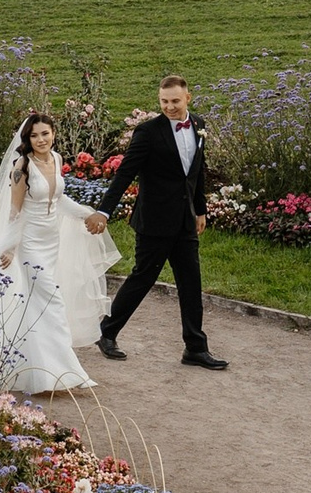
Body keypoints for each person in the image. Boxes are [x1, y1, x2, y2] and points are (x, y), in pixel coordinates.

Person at [0, 112, 119, 394]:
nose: (41, 140)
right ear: (27, 139)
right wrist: (11, 247)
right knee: (51, 301)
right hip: (28, 243)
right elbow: (15, 212)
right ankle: (63, 372)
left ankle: (35, 369)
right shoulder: (22, 167)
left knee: (34, 306)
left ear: (53, 133)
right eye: (34, 135)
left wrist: (86, 214)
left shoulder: (56, 159)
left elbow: (58, 199)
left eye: (45, 134)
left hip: (51, 242)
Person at [91, 76, 225, 370]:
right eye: (164, 102)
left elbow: (197, 173)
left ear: (188, 98)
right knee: (143, 277)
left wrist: (200, 210)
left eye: (175, 101)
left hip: (186, 220)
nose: (169, 107)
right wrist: (103, 212)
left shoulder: (199, 125)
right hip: (154, 220)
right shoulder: (148, 132)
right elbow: (124, 174)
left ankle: (195, 348)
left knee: (191, 281)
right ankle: (107, 332)